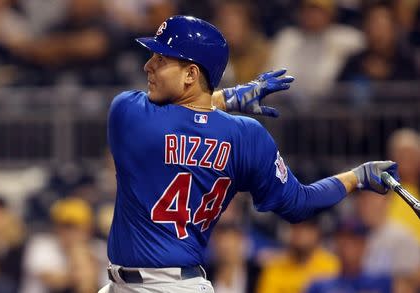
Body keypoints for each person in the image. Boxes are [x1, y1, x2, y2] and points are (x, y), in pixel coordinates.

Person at [99, 15, 399, 293]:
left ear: (191, 73)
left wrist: (228, 97)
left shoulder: (128, 112)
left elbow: (183, 117)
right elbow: (299, 203)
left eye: (160, 58)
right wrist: (355, 177)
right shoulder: (246, 135)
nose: (148, 65)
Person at [256, 217, 340, 293]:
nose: (300, 233)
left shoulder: (332, 265)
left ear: (317, 233)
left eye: (306, 228)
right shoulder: (274, 267)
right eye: (296, 227)